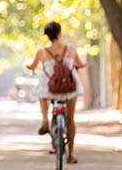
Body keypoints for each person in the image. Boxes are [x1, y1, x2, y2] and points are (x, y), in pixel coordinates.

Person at [26, 21, 86, 164]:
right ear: (60, 33)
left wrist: (30, 66)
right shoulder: (70, 49)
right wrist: (79, 65)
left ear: (47, 36)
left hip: (50, 90)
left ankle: (45, 119)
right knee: (70, 119)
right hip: (69, 89)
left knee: (41, 93)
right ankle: (71, 153)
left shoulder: (42, 51)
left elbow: (33, 66)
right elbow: (80, 64)